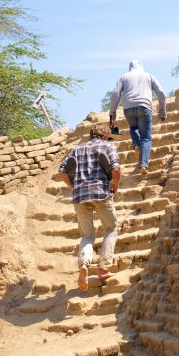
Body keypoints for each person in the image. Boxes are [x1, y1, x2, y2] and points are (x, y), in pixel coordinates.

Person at [58, 123, 121, 292]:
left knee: (87, 235)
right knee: (111, 229)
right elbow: (115, 169)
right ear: (105, 136)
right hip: (101, 192)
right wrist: (115, 184)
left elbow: (62, 171)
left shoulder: (76, 149)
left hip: (80, 196)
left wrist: (73, 186)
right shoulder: (108, 146)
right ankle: (103, 268)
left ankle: (84, 266)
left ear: (91, 135)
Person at [109, 60, 167, 175]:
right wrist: (162, 111)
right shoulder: (149, 76)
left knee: (133, 127)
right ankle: (143, 165)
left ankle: (136, 145)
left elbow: (115, 93)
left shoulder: (124, 77)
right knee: (146, 137)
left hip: (128, 109)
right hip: (144, 107)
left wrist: (112, 112)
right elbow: (161, 92)